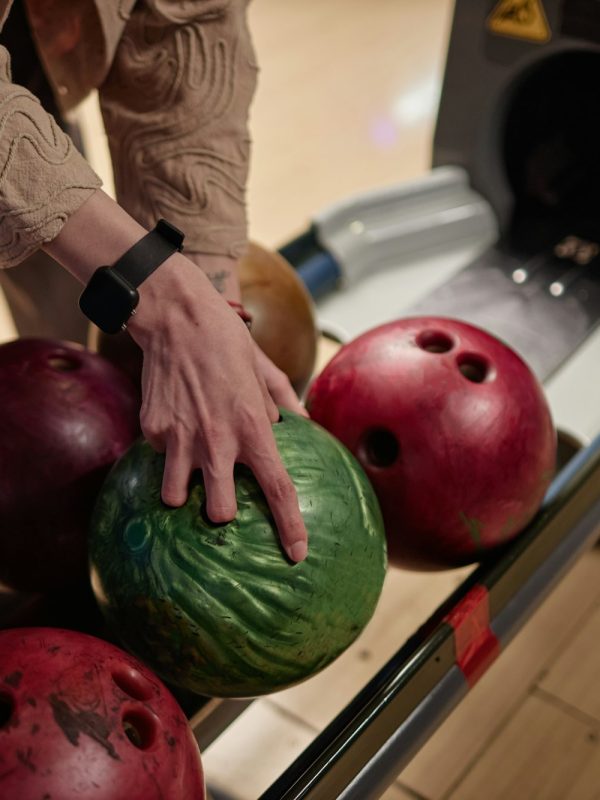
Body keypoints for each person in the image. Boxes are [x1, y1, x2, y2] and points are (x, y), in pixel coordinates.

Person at [0, 0, 309, 562]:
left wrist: (212, 305)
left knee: (59, 251)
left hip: (29, 60)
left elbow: (186, 18)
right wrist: (172, 303)